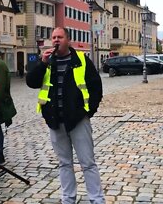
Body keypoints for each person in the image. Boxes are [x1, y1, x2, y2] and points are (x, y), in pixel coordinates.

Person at [26, 27, 105, 203]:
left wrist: (87, 112)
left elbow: (96, 88)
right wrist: (43, 63)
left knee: (88, 163)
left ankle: (97, 199)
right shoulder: (47, 62)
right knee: (64, 164)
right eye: (53, 37)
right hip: (55, 120)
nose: (56, 40)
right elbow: (31, 82)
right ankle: (68, 199)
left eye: (59, 37)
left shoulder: (82, 60)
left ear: (67, 40)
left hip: (78, 120)